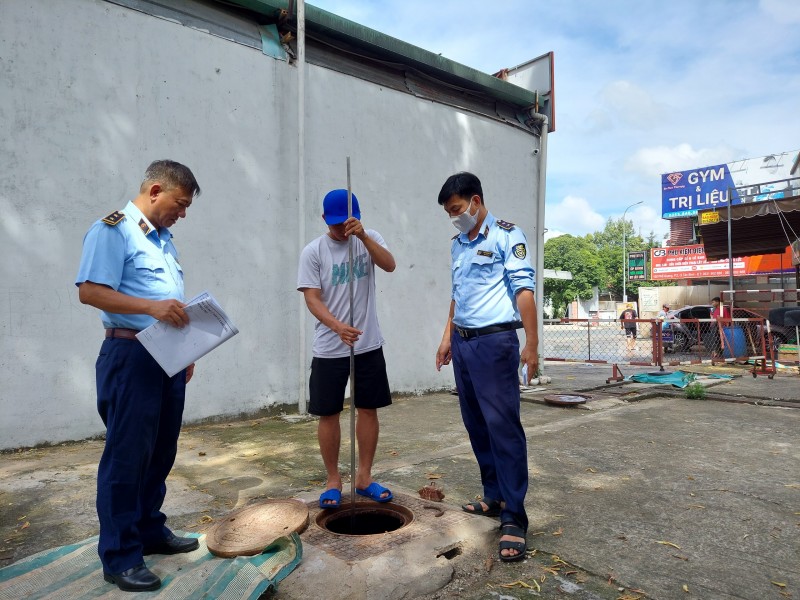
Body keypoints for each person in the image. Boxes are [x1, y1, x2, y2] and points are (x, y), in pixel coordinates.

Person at [75, 160, 202, 592]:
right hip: (129, 355)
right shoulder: (113, 230)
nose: (181, 214)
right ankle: (120, 556)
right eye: (179, 204)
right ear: (154, 190)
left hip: (165, 357)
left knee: (161, 450)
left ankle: (149, 529)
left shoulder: (163, 240)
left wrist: (185, 352)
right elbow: (89, 291)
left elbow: (170, 304)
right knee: (126, 458)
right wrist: (151, 309)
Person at [434, 172, 538, 563]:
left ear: (475, 201)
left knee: (503, 427)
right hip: (462, 343)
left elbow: (523, 289)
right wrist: (446, 337)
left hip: (495, 344)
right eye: (449, 212)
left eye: (457, 209)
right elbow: (456, 295)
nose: (454, 217)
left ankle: (514, 515)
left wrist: (532, 342)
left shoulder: (507, 235)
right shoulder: (458, 243)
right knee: (476, 422)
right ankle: (493, 495)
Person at [297, 188, 397, 509]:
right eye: (336, 223)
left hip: (368, 344)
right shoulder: (313, 252)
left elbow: (390, 265)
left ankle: (364, 476)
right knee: (328, 414)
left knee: (368, 408)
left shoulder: (369, 239)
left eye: (348, 222)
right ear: (325, 219)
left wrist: (365, 238)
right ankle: (333, 480)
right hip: (330, 346)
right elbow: (312, 298)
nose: (342, 229)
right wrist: (337, 326)